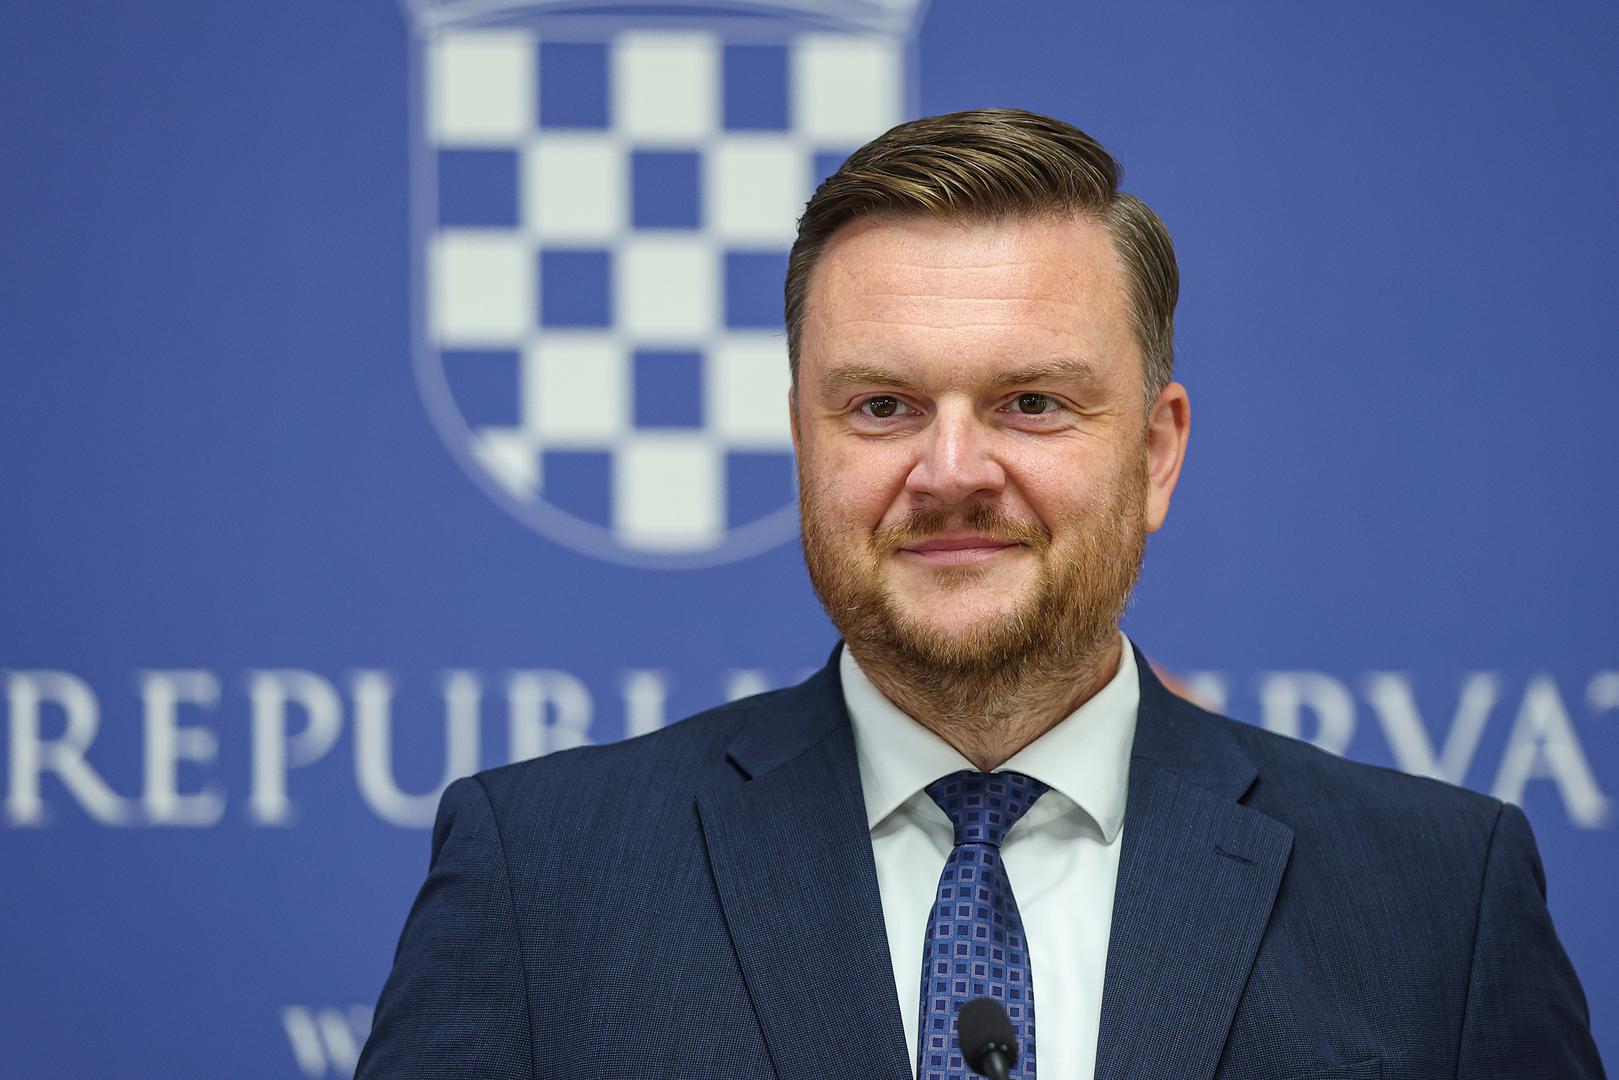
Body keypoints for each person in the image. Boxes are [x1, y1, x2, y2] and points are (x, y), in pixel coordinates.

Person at [357, 109, 1603, 1079]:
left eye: (1031, 403)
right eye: (882, 407)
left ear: (1155, 452)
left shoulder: (1438, 896)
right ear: (801, 443)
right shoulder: (544, 878)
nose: (951, 471)